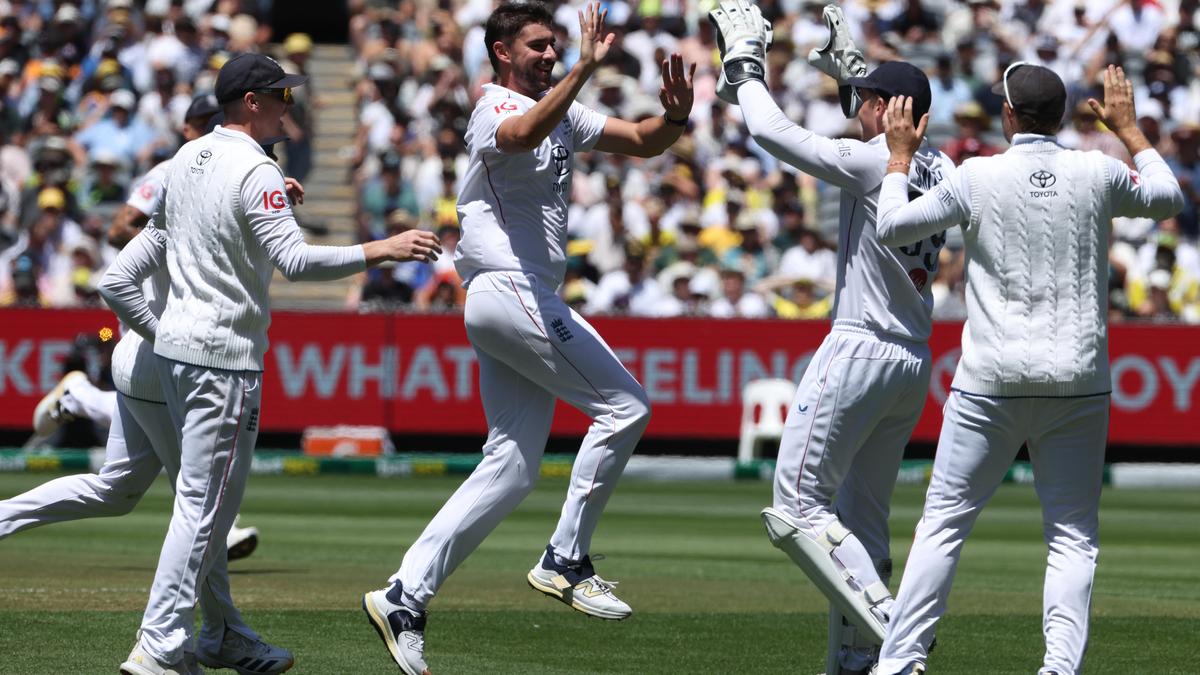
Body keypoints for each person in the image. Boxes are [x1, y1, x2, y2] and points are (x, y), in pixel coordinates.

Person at [361, 4, 694, 674]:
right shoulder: (493, 103)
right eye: (537, 46)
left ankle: (404, 593)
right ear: (501, 51)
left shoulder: (559, 108)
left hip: (512, 299)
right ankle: (565, 557)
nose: (548, 55)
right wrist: (581, 70)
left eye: (553, 47)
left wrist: (678, 115)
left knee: (511, 465)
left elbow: (641, 138)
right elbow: (518, 135)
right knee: (625, 406)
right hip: (509, 288)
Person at [109, 52, 441, 675]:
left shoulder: (186, 158)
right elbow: (295, 261)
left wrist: (165, 329)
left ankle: (217, 636)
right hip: (223, 359)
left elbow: (153, 253)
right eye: (282, 96)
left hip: (179, 353)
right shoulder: (254, 168)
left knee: (197, 507)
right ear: (253, 103)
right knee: (203, 512)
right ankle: (158, 646)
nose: (293, 107)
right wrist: (384, 248)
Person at [873, 64, 1184, 675]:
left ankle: (898, 663)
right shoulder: (1097, 170)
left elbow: (890, 226)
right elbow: (1169, 196)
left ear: (1009, 116)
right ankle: (1058, 669)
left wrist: (899, 157)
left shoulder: (977, 175)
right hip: (1078, 379)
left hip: (990, 379)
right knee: (1071, 536)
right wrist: (1130, 131)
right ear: (1063, 117)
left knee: (942, 526)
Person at [708, 2, 956, 672]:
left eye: (868, 100)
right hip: (909, 360)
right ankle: (854, 662)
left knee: (794, 508)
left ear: (888, 110)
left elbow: (774, 133)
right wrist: (853, 74)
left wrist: (745, 64)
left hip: (859, 345)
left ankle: (896, 629)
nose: (860, 108)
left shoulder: (874, 164)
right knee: (859, 522)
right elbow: (877, 136)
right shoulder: (940, 169)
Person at [11, 94, 260, 565]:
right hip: (152, 316)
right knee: (195, 465)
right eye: (203, 123)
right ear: (186, 130)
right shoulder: (168, 173)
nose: (212, 130)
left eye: (217, 121)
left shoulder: (231, 172)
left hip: (178, 327)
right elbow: (119, 229)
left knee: (117, 490)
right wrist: (181, 238)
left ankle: (78, 399)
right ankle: (217, 561)